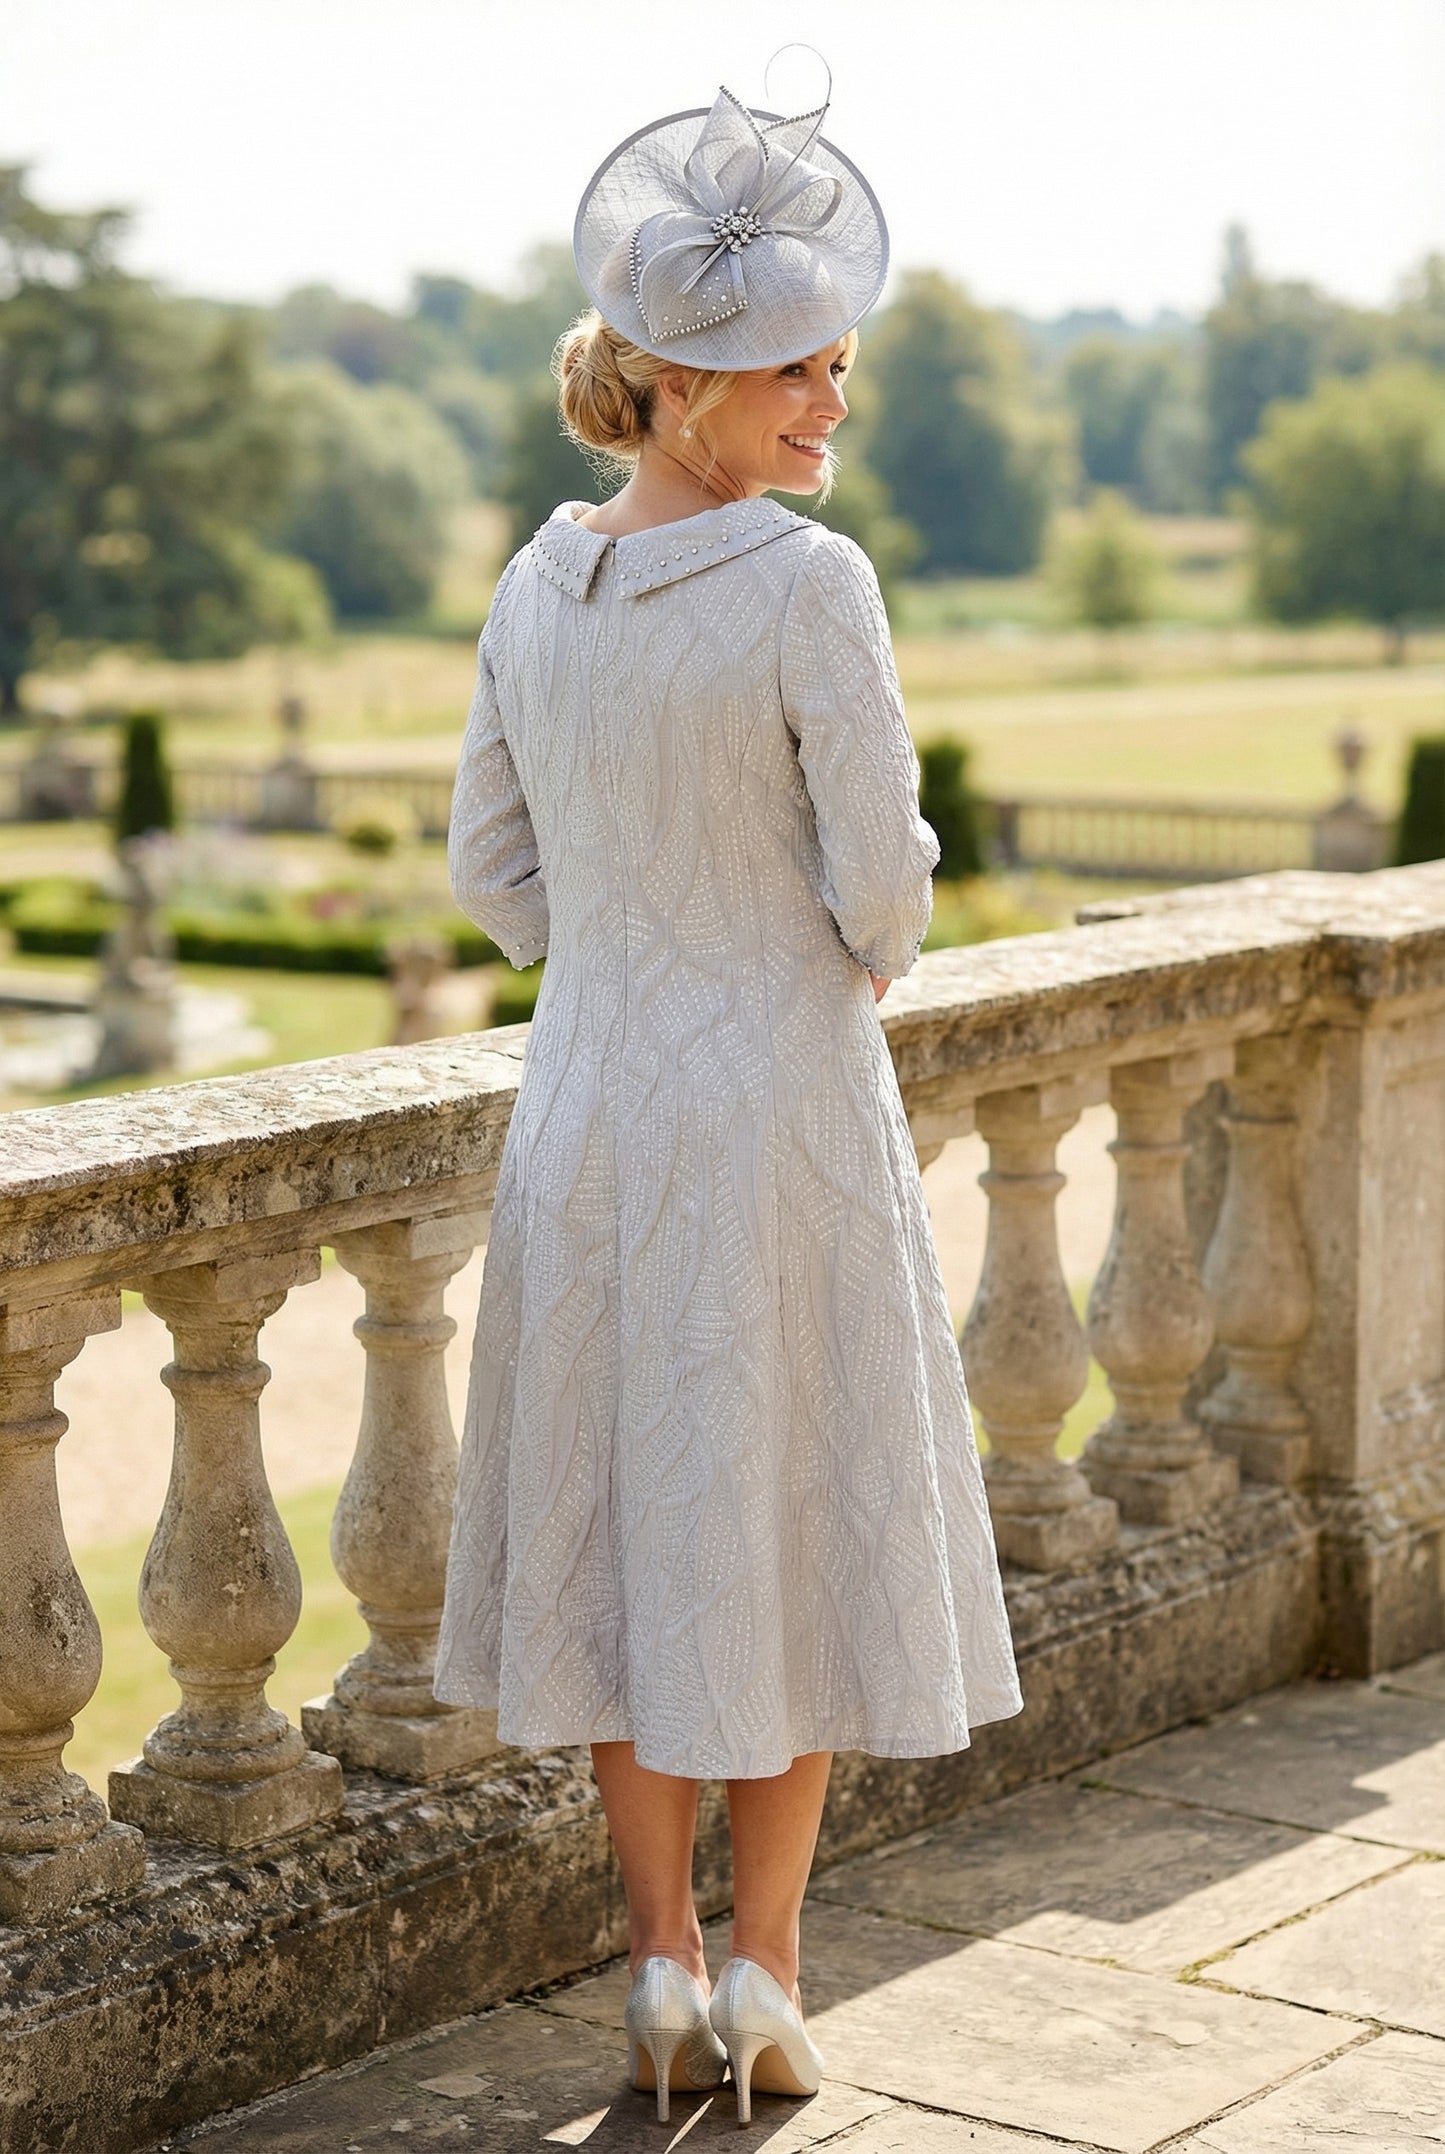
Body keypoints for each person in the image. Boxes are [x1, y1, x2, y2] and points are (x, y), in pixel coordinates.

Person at [435, 60, 1023, 2127]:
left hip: (590, 1110)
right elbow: (885, 880)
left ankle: (665, 1969)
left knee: (618, 1521)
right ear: (685, 381)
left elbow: (489, 878)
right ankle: (768, 1969)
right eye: (796, 374)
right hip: (774, 1106)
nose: (827, 411)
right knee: (783, 1510)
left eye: (836, 372)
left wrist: (618, 948)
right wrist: (827, 938)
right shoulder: (804, 585)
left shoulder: (532, 584)